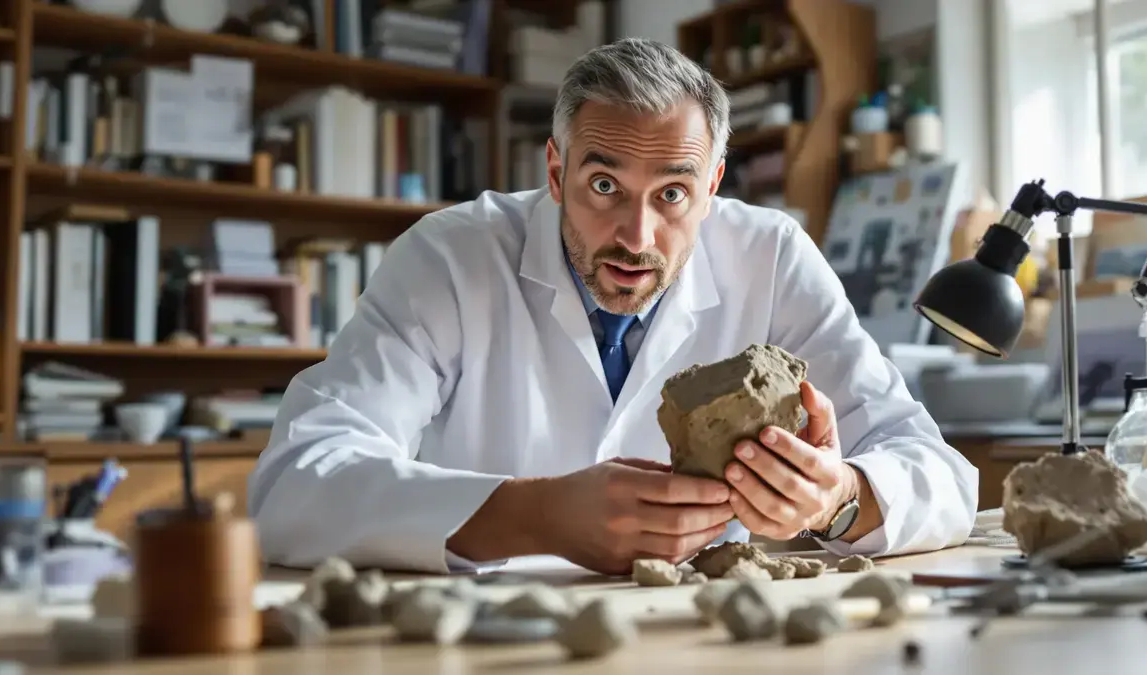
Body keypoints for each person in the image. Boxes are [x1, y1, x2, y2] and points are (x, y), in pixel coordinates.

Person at [248, 37, 978, 575]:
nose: (636, 235)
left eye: (673, 193)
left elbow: (942, 474)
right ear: (556, 170)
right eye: (604, 186)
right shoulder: (450, 257)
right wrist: (534, 515)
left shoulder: (774, 257)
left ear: (713, 185)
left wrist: (838, 498)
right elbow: (293, 484)